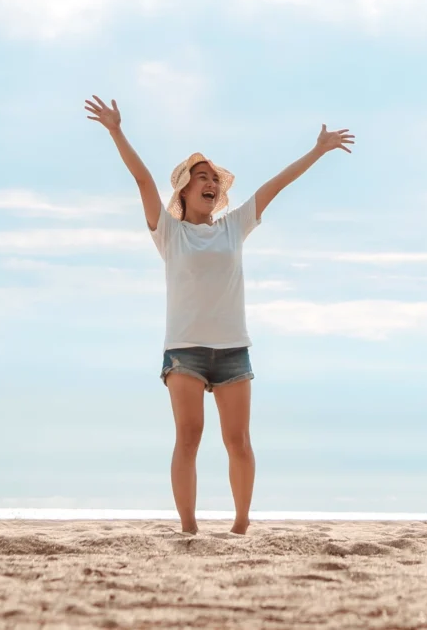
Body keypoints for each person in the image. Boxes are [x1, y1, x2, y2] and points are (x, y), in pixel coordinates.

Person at [82, 96, 354, 535]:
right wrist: (116, 130)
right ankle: (188, 529)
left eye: (215, 180)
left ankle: (241, 527)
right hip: (184, 351)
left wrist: (318, 150)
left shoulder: (233, 226)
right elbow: (142, 179)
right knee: (188, 438)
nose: (211, 184)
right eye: (201, 178)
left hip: (232, 351)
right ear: (185, 191)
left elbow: (274, 186)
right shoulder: (168, 232)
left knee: (238, 442)